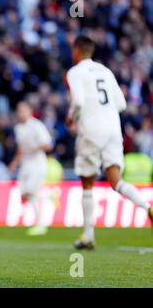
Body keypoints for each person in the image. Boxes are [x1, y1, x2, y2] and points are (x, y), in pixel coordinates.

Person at [65, 35, 153, 250]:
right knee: (116, 181)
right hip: (113, 130)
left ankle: (88, 236)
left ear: (76, 51)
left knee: (87, 182)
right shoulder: (106, 71)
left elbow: (78, 101)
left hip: (91, 130)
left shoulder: (75, 72)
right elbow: (121, 104)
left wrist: (70, 117)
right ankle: (147, 206)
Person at [9, 101, 53, 236]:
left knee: (31, 193)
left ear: (30, 111)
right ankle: (48, 196)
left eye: (23, 110)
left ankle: (40, 225)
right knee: (23, 196)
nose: (20, 113)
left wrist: (31, 150)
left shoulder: (36, 125)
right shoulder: (18, 128)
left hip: (37, 163)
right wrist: (14, 163)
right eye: (18, 110)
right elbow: (20, 149)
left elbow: (48, 145)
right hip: (25, 164)